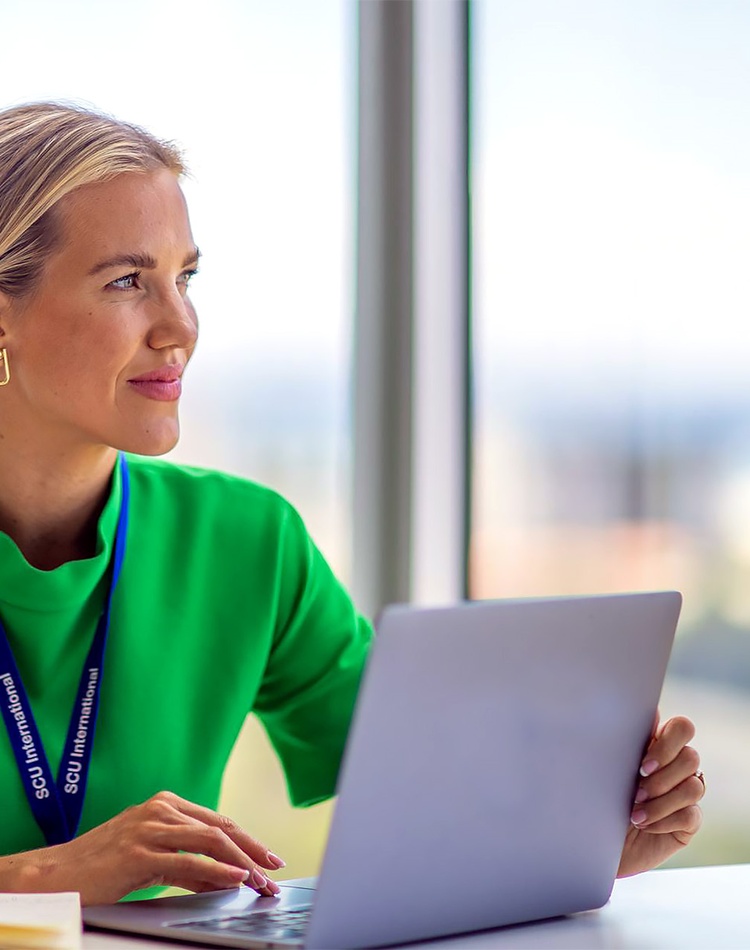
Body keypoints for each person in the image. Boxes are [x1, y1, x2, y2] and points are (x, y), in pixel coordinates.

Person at [0, 101, 704, 906]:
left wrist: (590, 835)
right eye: (127, 280)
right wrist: (37, 880)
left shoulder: (245, 541)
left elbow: (423, 795)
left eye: (185, 277)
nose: (180, 326)